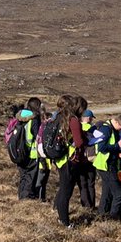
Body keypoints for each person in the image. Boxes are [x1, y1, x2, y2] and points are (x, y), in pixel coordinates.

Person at [51, 95, 85, 227]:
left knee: (63, 188)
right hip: (69, 159)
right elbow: (79, 142)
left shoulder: (56, 117)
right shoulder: (72, 120)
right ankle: (64, 221)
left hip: (59, 158)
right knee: (66, 190)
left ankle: (58, 212)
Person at [92, 114, 121, 221]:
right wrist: (118, 146)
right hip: (106, 165)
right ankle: (113, 219)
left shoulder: (112, 129)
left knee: (107, 193)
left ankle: (101, 217)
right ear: (116, 122)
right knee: (119, 194)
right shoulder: (106, 129)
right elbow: (101, 147)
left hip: (108, 165)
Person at [15, 98, 43, 200]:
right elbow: (37, 135)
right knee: (30, 176)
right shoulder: (35, 119)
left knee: (23, 175)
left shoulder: (19, 116)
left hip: (19, 151)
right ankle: (26, 198)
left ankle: (21, 195)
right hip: (31, 152)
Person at [76, 104, 97, 210]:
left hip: (80, 159)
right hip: (91, 158)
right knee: (91, 183)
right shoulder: (93, 130)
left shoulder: (77, 127)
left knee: (82, 183)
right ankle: (92, 205)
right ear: (88, 118)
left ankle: (85, 204)